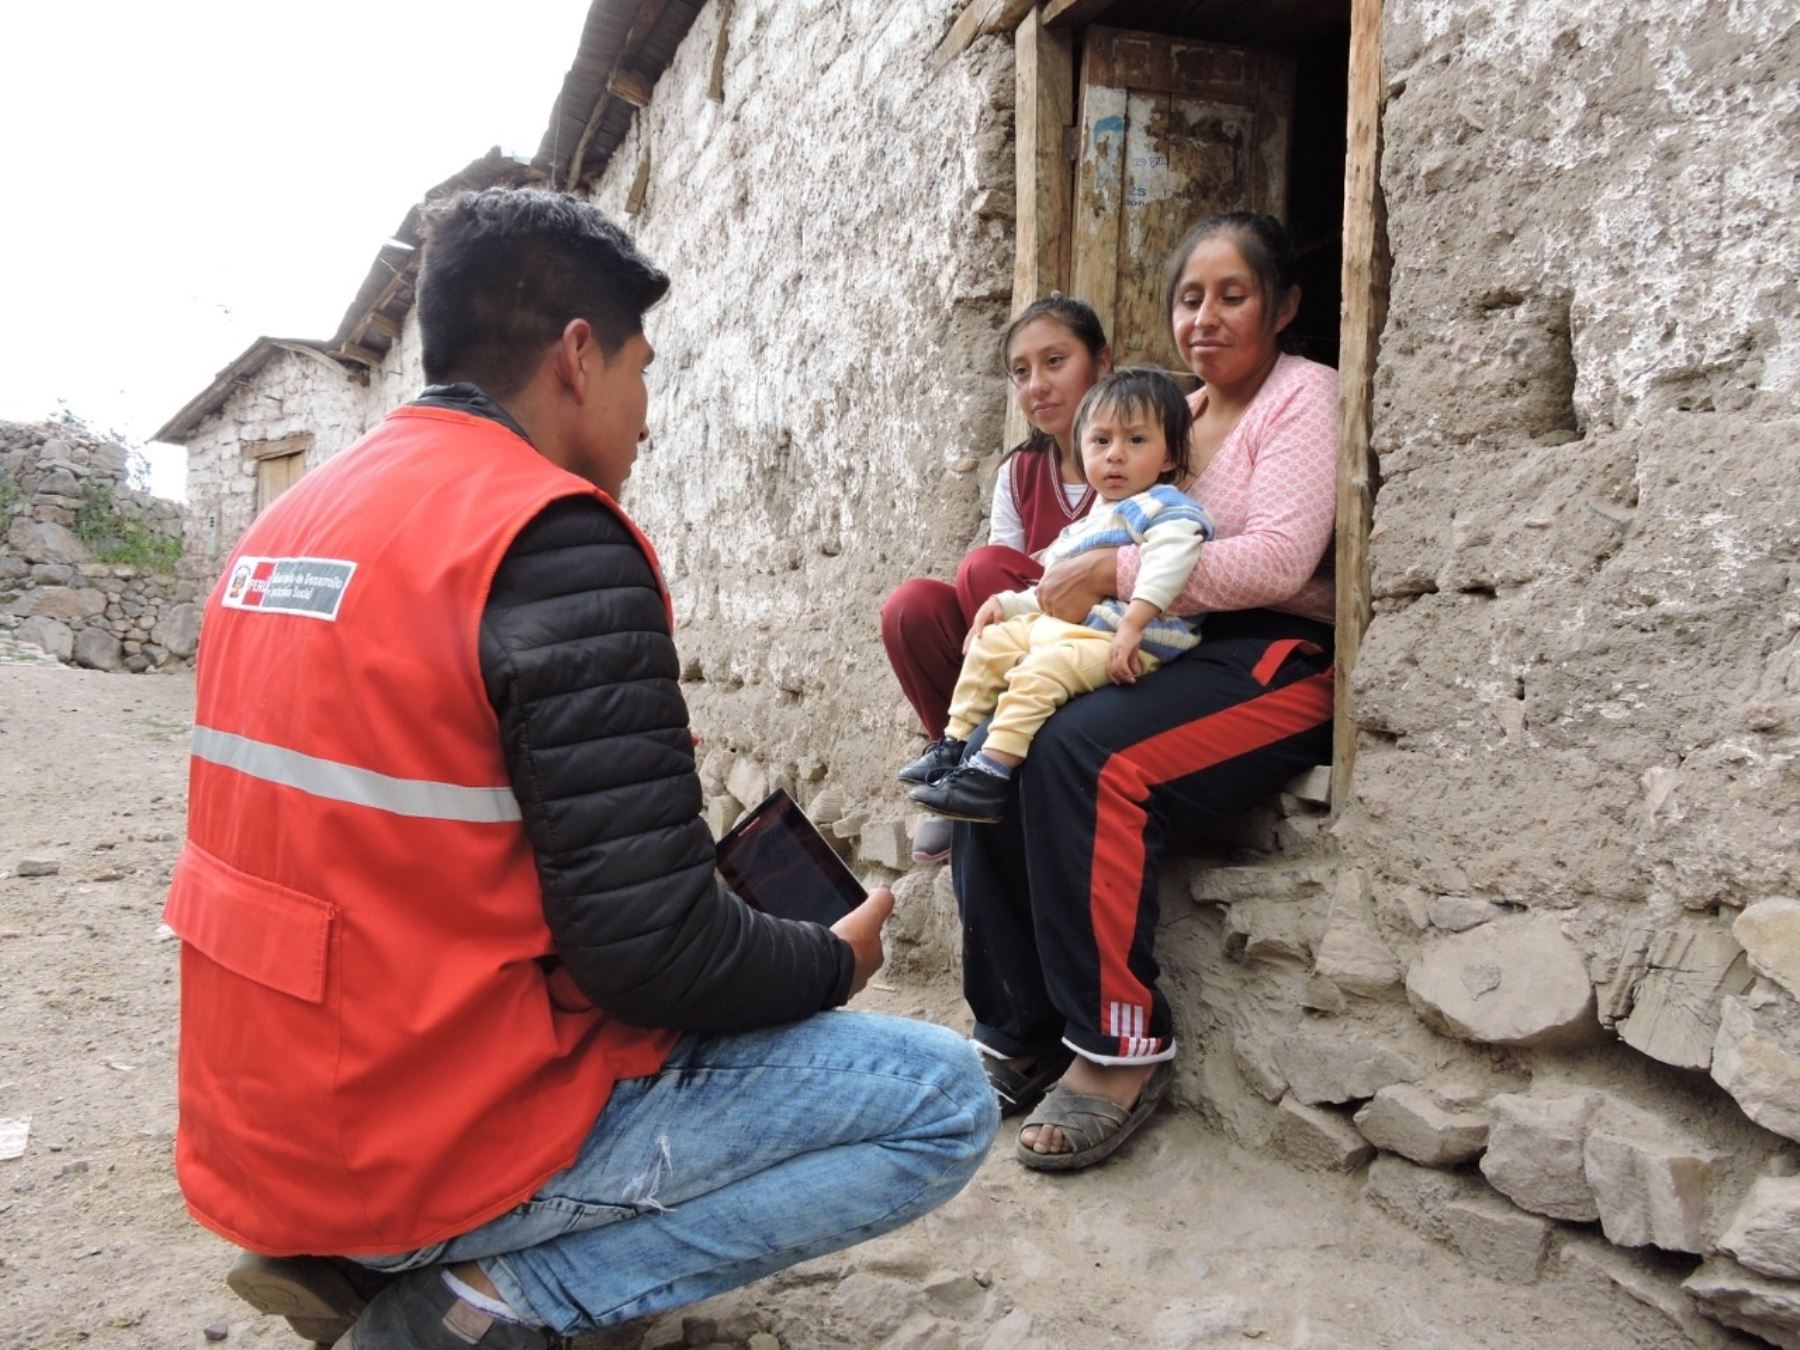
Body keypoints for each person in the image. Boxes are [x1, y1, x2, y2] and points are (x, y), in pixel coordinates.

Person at [164, 187, 997, 1350]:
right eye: (641, 371)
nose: (647, 416)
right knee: (942, 1101)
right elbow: (653, 957)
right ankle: (474, 1304)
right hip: (415, 1145)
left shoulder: (288, 524)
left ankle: (405, 1267)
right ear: (575, 357)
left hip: (263, 1124)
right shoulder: (549, 539)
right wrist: (825, 961)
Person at [953, 212, 1338, 1168]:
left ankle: (1120, 1047)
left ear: (1284, 305)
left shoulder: (1305, 397)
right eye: (1190, 298)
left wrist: (1116, 580)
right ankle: (1017, 1026)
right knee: (1004, 738)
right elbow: (1085, 543)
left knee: (1090, 752)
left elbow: (1283, 559)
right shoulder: (1175, 413)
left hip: (1274, 656)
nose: (1205, 317)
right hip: (1171, 641)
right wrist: (1022, 599)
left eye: (1233, 295)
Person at [904, 369, 1214, 823]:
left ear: (1170, 456)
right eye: (1101, 441)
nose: (1115, 456)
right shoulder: (1086, 525)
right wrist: (1005, 605)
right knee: (995, 643)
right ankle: (953, 743)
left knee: (1039, 670)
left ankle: (991, 774)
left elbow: (1169, 563)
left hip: (1132, 643)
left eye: (1137, 441)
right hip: (1077, 628)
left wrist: (1133, 624)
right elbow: (1050, 590)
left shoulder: (1165, 507)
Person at [881, 295, 1111, 861]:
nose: (1038, 384)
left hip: (1090, 640)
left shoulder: (1131, 454)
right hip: (1023, 635)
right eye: (1022, 371)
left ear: (1101, 364)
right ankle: (960, 761)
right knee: (911, 604)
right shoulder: (1020, 471)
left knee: (982, 568)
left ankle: (993, 762)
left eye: (1056, 362)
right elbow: (1001, 584)